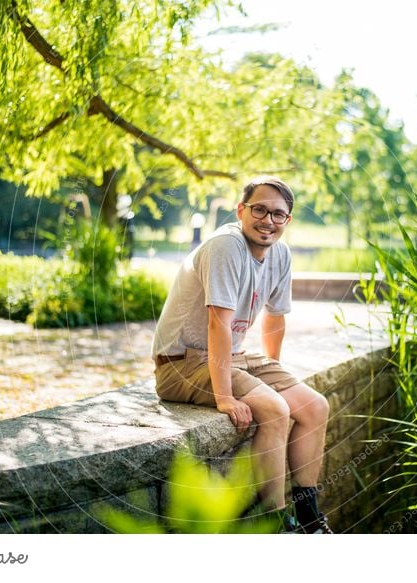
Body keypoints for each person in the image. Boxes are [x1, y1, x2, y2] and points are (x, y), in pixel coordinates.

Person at [151, 175, 332, 533]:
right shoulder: (226, 247)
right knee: (276, 410)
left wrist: (275, 370)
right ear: (241, 210)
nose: (268, 220)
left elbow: (276, 318)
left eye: (278, 214)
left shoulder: (280, 253)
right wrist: (224, 397)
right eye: (259, 209)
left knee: (314, 407)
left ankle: (309, 517)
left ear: (287, 220)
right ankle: (278, 525)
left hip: (233, 356)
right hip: (182, 363)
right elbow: (218, 323)